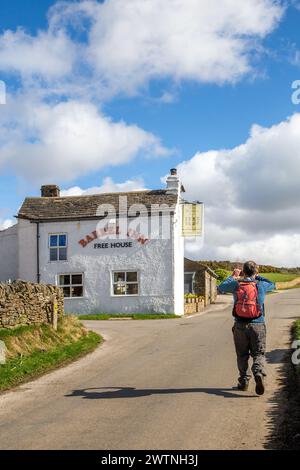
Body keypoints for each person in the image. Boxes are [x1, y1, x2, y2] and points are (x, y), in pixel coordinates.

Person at [218, 261, 275, 395]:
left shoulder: (236, 284)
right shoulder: (260, 284)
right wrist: (258, 277)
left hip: (240, 325)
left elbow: (221, 286)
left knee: (242, 355)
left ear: (243, 271)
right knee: (258, 353)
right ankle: (258, 372)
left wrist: (233, 276)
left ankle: (244, 382)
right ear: (255, 271)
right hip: (258, 324)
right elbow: (273, 284)